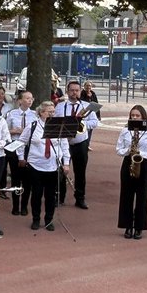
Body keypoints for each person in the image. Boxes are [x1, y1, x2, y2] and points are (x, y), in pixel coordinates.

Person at [22, 100, 69, 231]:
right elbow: (22, 141)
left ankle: (49, 219)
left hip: (52, 166)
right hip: (36, 165)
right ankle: (35, 219)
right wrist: (21, 158)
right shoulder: (33, 125)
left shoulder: (58, 126)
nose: (52, 114)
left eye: (54, 112)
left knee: (50, 195)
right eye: (50, 112)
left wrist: (66, 163)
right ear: (42, 113)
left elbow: (64, 146)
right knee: (36, 194)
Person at [54, 80, 98, 209]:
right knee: (61, 170)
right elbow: (55, 121)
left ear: (80, 91)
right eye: (72, 90)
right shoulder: (60, 106)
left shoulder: (87, 106)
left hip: (80, 143)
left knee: (80, 172)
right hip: (64, 143)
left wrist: (82, 123)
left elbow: (95, 122)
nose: (74, 93)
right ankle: (59, 197)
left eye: (77, 90)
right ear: (67, 91)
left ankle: (80, 198)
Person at [115, 105, 147, 239]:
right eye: (132, 116)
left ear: (143, 117)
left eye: (137, 116)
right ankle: (127, 225)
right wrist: (129, 151)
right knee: (126, 195)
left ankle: (139, 227)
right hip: (128, 162)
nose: (134, 118)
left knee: (142, 196)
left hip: (143, 164)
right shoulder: (125, 131)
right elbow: (118, 149)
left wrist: (140, 153)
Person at [6, 91, 36, 214]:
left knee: (27, 179)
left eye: (31, 98)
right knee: (15, 177)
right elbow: (5, 131)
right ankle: (15, 205)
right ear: (20, 100)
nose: (29, 100)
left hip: (28, 148)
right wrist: (15, 131)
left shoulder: (35, 115)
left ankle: (24, 205)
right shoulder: (12, 114)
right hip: (14, 146)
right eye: (27, 98)